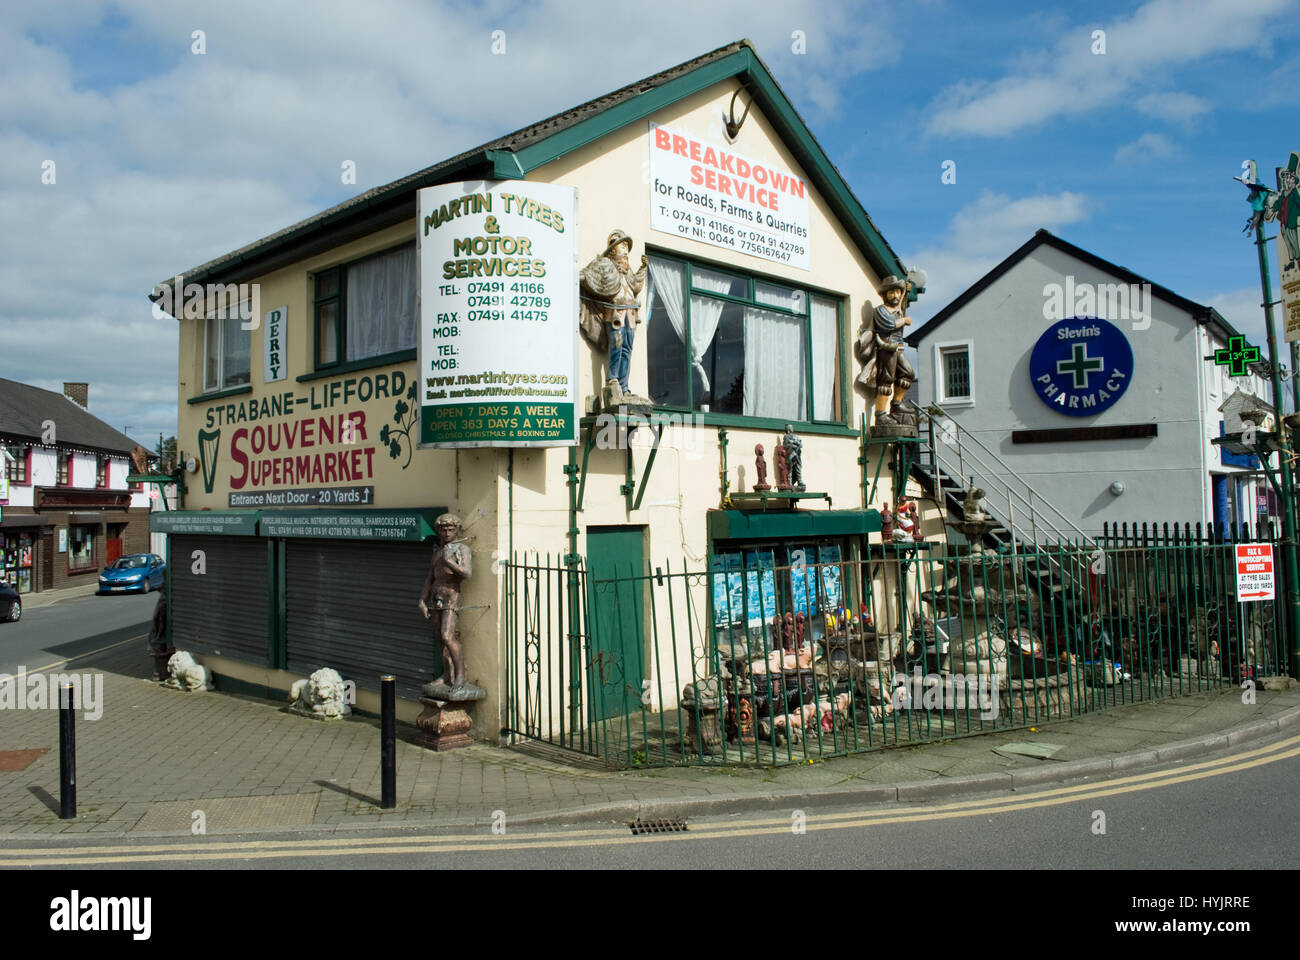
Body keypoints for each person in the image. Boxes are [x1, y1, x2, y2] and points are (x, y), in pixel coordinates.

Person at [579, 229, 648, 402]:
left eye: (626, 246)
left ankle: (625, 388)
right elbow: (588, 276)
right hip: (614, 312)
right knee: (616, 345)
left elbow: (635, 285)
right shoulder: (605, 265)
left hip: (630, 313)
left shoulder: (627, 270)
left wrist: (643, 268)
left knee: (627, 349)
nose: (625, 249)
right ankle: (613, 381)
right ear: (612, 249)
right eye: (622, 245)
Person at [418, 513, 472, 689]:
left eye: (451, 529)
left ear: (456, 530)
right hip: (436, 595)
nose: (447, 533)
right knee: (440, 639)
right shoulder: (438, 550)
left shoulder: (461, 549)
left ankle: (460, 676)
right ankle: (447, 674)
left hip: (451, 594)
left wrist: (450, 562)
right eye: (444, 530)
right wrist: (422, 600)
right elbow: (430, 577)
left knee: (447, 635)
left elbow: (467, 573)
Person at [856, 275, 915, 426]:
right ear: (885, 295)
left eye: (898, 292)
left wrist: (906, 293)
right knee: (886, 380)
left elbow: (902, 307)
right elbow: (888, 325)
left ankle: (896, 404)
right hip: (886, 348)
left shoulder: (898, 309)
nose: (895, 296)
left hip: (899, 348)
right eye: (891, 292)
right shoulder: (880, 311)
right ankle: (880, 414)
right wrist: (904, 321)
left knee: (907, 373)